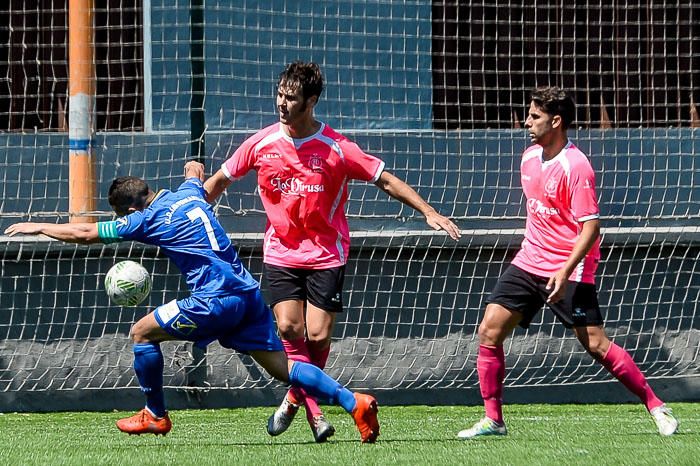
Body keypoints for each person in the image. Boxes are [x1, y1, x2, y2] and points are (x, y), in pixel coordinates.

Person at [4, 161, 380, 443]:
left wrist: (39, 227)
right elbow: (195, 171)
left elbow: (87, 233)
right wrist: (192, 170)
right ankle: (354, 403)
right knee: (285, 369)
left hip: (213, 300)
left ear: (131, 211)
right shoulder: (188, 192)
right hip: (247, 295)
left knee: (141, 334)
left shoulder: (144, 219)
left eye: (123, 217)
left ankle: (155, 414)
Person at [204, 61, 461, 442]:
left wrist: (429, 212)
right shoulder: (261, 143)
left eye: (290, 98)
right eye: (279, 95)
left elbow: (385, 180)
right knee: (290, 328)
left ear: (311, 101)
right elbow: (219, 181)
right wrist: (189, 210)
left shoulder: (337, 148)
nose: (281, 103)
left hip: (326, 254)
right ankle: (314, 410)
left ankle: (294, 397)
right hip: (280, 252)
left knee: (319, 335)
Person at [457, 86, 679, 439]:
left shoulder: (576, 167)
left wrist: (563, 270)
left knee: (595, 344)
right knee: (489, 330)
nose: (527, 123)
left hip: (570, 267)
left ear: (556, 121)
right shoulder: (529, 157)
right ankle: (493, 420)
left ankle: (656, 406)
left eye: (535, 117)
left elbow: (591, 227)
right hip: (530, 260)